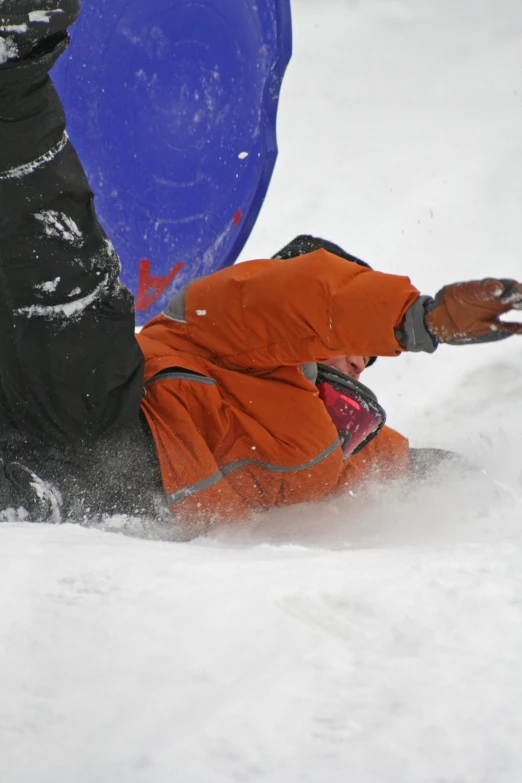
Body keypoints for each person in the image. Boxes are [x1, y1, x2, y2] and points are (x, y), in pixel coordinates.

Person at [1, 2, 521, 533]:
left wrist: (463, 481)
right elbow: (306, 297)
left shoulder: (348, 436)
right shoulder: (240, 322)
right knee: (59, 263)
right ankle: (14, 58)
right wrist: (420, 319)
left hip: (114, 491)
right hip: (112, 412)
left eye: (369, 358)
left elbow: (401, 470)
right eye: (356, 343)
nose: (365, 361)